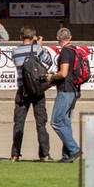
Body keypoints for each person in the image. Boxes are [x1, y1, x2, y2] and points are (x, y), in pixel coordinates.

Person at [10, 26, 54, 162]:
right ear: (34, 37)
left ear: (20, 37)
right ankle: (44, 154)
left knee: (19, 123)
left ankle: (15, 154)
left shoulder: (15, 52)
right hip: (37, 89)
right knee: (41, 122)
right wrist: (40, 46)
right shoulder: (36, 49)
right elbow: (49, 61)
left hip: (22, 90)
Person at [46, 28, 82, 163]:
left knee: (56, 121)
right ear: (70, 37)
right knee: (65, 123)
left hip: (66, 90)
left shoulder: (66, 51)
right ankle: (67, 156)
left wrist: (52, 77)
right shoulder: (75, 50)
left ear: (57, 38)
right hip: (74, 90)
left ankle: (74, 149)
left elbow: (64, 73)